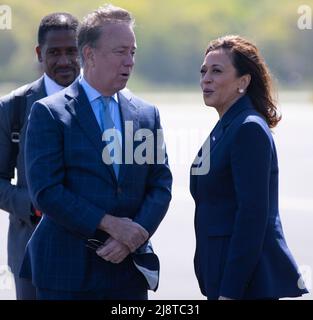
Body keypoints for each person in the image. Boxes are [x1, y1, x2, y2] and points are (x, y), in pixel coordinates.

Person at [20, 4, 172, 300]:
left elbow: (160, 184)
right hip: (66, 273)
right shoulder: (49, 112)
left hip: (128, 272)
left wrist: (134, 235)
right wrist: (111, 225)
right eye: (120, 52)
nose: (129, 61)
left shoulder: (145, 114)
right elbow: (47, 191)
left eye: (133, 52)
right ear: (88, 54)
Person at [190, 35, 308, 300]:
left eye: (217, 71)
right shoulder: (227, 125)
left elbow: (252, 217)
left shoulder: (248, 129)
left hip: (246, 284)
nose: (205, 79)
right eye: (204, 71)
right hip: (221, 275)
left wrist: (230, 291)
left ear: (243, 82)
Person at [0, 12, 80, 300]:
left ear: (84, 49)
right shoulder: (14, 107)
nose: (64, 61)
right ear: (39, 53)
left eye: (71, 51)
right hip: (30, 252)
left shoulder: (103, 102)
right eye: (53, 53)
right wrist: (33, 205)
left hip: (93, 252)